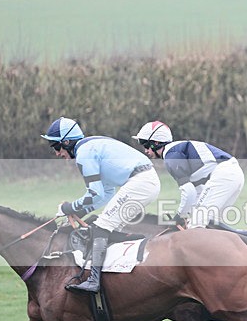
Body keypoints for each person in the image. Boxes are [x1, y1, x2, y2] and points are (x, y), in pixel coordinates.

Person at [42, 117, 161, 293]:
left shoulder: (84, 153)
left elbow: (94, 193)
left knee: (101, 228)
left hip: (140, 182)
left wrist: (69, 208)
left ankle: (94, 281)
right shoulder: (90, 148)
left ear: (66, 142)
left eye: (56, 147)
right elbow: (105, 195)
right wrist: (80, 213)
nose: (58, 153)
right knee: (106, 228)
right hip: (144, 181)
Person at [132, 120, 244, 229]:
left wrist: (179, 217)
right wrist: (186, 215)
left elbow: (189, 192)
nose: (145, 151)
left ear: (156, 143)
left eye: (146, 145)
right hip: (233, 174)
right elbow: (197, 192)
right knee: (211, 226)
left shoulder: (171, 156)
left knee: (195, 225)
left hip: (224, 175)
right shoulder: (177, 151)